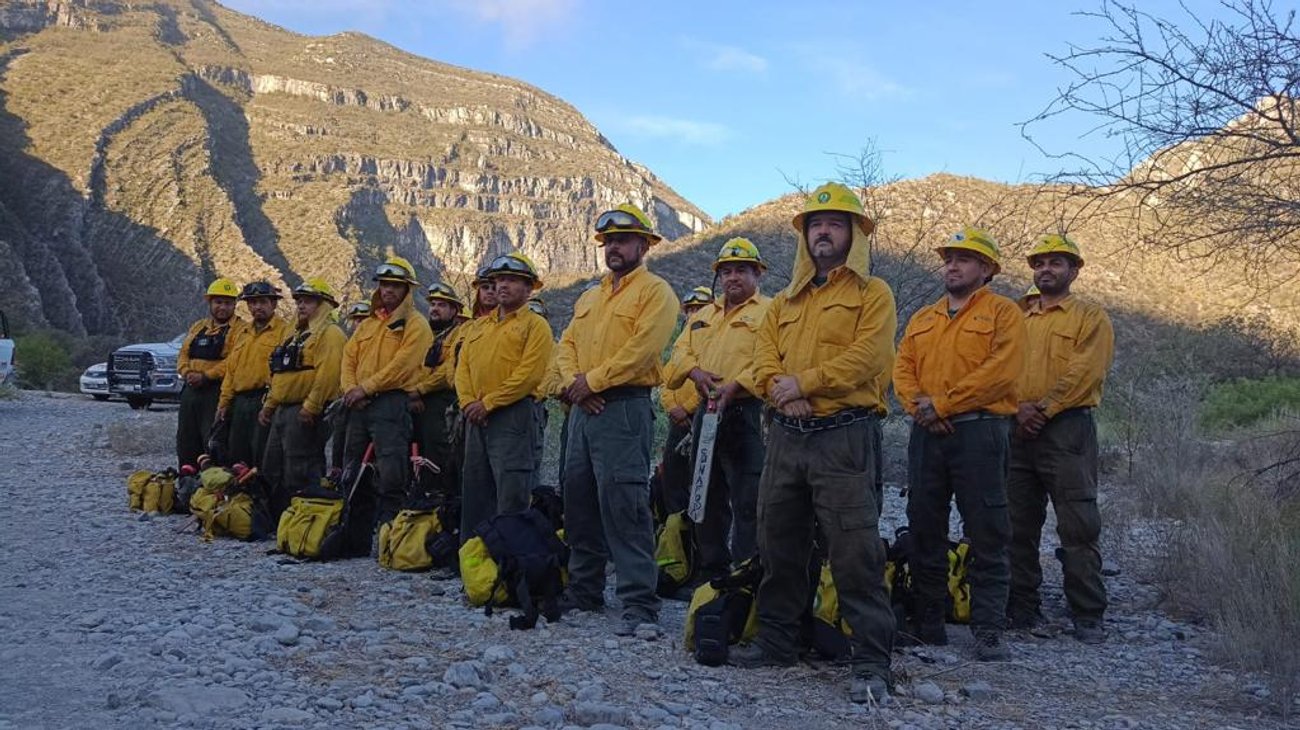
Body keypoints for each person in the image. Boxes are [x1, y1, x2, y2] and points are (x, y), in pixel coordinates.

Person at [729, 183, 896, 704]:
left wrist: (805, 383)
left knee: (855, 551)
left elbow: (869, 358)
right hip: (786, 437)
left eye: (835, 223)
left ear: (855, 234)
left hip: (844, 438)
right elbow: (761, 361)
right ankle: (777, 642)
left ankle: (871, 659)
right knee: (778, 543)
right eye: (815, 224)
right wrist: (783, 393)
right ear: (805, 236)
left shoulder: (874, 294)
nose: (823, 231)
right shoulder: (782, 302)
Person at [893, 226, 1026, 661]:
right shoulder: (923, 318)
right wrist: (921, 410)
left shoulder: (1004, 313)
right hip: (926, 434)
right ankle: (929, 622)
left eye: (965, 258)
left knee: (988, 528)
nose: (953, 264)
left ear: (986, 269)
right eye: (949, 257)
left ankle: (988, 628)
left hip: (980, 431)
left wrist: (944, 405)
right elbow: (902, 370)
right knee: (924, 525)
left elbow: (1001, 371)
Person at [556, 203, 679, 636]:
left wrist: (594, 382)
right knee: (579, 498)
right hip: (583, 410)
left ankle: (639, 601)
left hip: (624, 407)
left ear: (644, 245)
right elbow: (565, 344)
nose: (614, 247)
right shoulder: (589, 296)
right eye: (608, 241)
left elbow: (644, 350)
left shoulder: (656, 292)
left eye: (623, 240)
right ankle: (585, 590)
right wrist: (576, 383)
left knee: (624, 502)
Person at [1007, 235, 1115, 644]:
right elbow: (998, 364)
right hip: (1015, 427)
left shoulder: (1090, 317)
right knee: (1016, 522)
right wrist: (1017, 408)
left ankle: (1087, 612)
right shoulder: (1015, 314)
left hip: (1066, 429)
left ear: (1074, 270)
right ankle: (1021, 606)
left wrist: (1044, 409)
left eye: (1056, 263)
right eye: (1040, 263)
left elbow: (1086, 372)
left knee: (1078, 523)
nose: (1046, 269)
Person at [665, 240, 770, 579]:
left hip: (747, 413)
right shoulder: (702, 316)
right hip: (706, 414)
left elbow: (770, 360)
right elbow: (678, 356)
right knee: (704, 495)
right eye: (726, 272)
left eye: (741, 270)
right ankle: (711, 572)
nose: (733, 278)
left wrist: (735, 385)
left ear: (757, 274)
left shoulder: (770, 312)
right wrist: (695, 373)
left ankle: (746, 572)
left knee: (748, 498)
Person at [456, 252, 554, 534]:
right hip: (475, 416)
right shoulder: (477, 327)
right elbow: (463, 369)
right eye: (499, 280)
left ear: (529, 288)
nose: (502, 286)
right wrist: (468, 404)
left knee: (512, 493)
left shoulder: (536, 326)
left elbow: (529, 374)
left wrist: (487, 404)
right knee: (475, 491)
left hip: (513, 416)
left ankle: (511, 565)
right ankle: (474, 566)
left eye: (512, 280)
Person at [340, 257, 434, 534]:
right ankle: (354, 531)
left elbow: (403, 365)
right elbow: (348, 357)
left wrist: (366, 388)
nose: (388, 290)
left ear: (407, 289)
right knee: (353, 465)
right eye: (384, 284)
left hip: (392, 403)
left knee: (391, 468)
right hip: (358, 403)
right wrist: (350, 390)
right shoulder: (368, 324)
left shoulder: (416, 324)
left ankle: (389, 531)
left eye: (395, 285)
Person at [260, 279, 346, 519]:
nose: (301, 305)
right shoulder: (294, 333)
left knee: (300, 466)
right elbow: (278, 373)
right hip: (283, 410)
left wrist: (312, 406)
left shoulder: (331, 334)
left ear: (325, 305)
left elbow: (328, 375)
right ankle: (278, 518)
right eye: (299, 300)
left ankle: (303, 517)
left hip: (305, 411)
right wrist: (270, 405)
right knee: (273, 465)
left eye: (308, 301)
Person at [216, 281, 291, 468]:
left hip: (265, 401)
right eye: (252, 302)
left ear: (273, 304)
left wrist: (271, 403)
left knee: (263, 456)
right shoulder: (243, 333)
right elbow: (231, 371)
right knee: (236, 456)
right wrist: (224, 403)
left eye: (263, 302)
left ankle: (263, 496)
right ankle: (240, 497)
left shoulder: (285, 331)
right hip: (240, 403)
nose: (257, 307)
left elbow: (284, 372)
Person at [176, 278, 248, 468]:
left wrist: (206, 376)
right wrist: (186, 372)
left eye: (227, 303)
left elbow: (233, 361)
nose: (222, 307)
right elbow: (183, 353)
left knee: (214, 440)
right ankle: (187, 483)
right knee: (186, 439)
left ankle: (213, 485)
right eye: (218, 302)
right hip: (191, 391)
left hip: (217, 390)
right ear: (210, 303)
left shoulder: (241, 329)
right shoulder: (198, 327)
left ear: (235, 305)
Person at [409, 281, 468, 506]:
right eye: (432, 304)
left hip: (441, 401)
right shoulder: (424, 334)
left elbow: (447, 370)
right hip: (416, 399)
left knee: (437, 451)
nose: (434, 308)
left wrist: (420, 390)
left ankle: (439, 497)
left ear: (455, 310)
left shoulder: (459, 334)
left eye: (442, 305)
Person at [657, 286, 713, 517]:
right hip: (677, 422)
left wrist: (688, 409)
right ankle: (674, 528)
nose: (693, 314)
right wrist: (672, 408)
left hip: (700, 418)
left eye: (699, 309)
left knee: (702, 477)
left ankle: (698, 534)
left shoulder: (714, 342)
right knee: (672, 473)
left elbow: (712, 381)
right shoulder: (681, 345)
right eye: (690, 310)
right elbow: (666, 380)